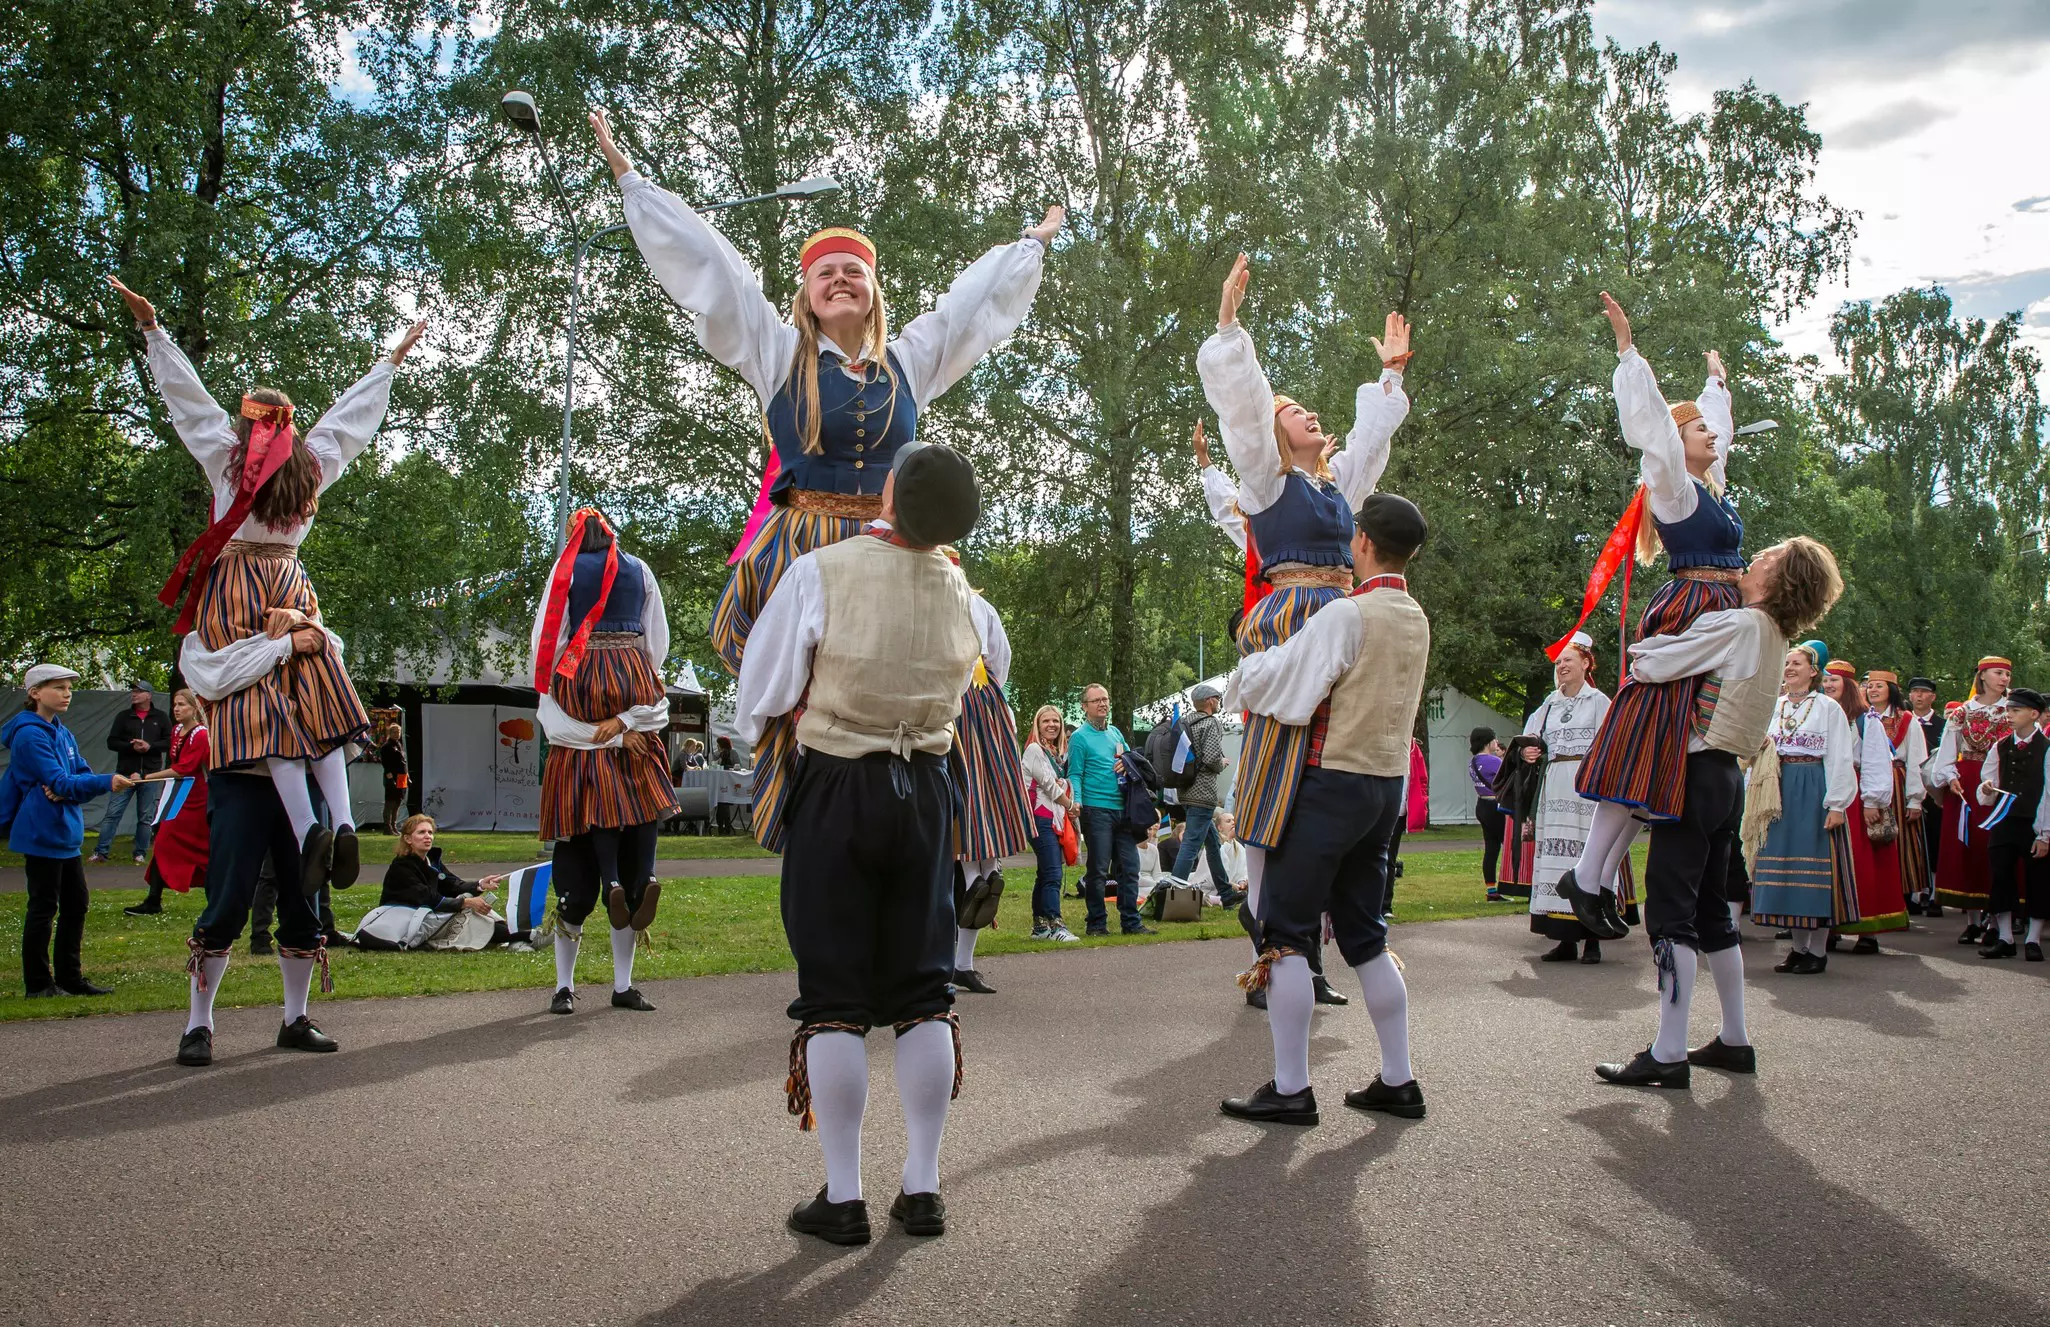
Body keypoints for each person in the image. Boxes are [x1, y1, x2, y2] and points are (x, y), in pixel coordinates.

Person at [733, 441, 983, 1245]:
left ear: (886, 492)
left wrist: (767, 745)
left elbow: (761, 690)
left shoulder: (824, 570)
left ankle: (844, 1196)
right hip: (928, 792)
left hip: (840, 782)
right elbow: (991, 672)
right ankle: (923, 1184)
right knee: (924, 990)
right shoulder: (968, 593)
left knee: (836, 993)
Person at [108, 275, 423, 900]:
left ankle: (309, 830)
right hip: (291, 583)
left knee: (263, 714)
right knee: (317, 697)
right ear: (288, 425)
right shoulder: (312, 462)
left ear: (247, 422)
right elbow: (352, 420)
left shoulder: (227, 458)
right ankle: (336, 820)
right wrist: (388, 362)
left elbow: (189, 403)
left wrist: (153, 331)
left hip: (238, 589)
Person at [1587, 536, 1844, 1089]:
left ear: (1779, 580)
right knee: (1712, 913)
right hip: (1727, 779)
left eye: (1767, 559)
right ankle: (1734, 1038)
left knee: (1671, 914)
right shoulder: (1774, 634)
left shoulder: (1744, 624)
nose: (1752, 562)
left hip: (1695, 772)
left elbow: (1653, 662)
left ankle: (1669, 1051)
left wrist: (1651, 640)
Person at [1195, 253, 1411, 897]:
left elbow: (1369, 444)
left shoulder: (1338, 488)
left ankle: (1319, 918)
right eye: (1293, 412)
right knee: (1281, 753)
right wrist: (1230, 328)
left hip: (1348, 619)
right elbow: (1244, 417)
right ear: (1275, 432)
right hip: (1294, 619)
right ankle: (1266, 914)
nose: (1310, 414)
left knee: (1335, 757)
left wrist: (1389, 376)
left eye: (1309, 410)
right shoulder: (1266, 484)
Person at [1219, 493, 1433, 1125]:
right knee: (1366, 936)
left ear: (1360, 542)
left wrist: (1246, 670)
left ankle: (1292, 1088)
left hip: (1331, 783)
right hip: (1384, 785)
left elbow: (1288, 687)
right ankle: (1399, 1077)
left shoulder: (1349, 614)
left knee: (1285, 935)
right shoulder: (1415, 614)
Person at [1557, 294, 1741, 934]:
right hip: (1690, 613)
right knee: (1650, 752)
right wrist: (1628, 352)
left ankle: (1593, 879)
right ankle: (1588, 877)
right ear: (1678, 442)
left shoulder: (1712, 489)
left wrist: (1716, 384)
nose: (1713, 436)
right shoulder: (1675, 489)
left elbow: (1710, 426)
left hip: (1717, 615)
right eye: (1700, 431)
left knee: (1663, 761)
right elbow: (1658, 432)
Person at [530, 509, 678, 1016]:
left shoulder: (564, 572)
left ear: (574, 538)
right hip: (632, 690)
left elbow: (545, 643)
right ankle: (622, 978)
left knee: (573, 873)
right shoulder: (640, 570)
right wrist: (630, 718)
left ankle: (565, 987)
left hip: (580, 721)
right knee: (638, 849)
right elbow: (656, 643)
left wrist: (588, 704)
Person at [3, 665, 131, 997]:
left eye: (69, 688)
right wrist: (100, 782)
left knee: (76, 904)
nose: (66, 693)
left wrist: (73, 785)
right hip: (42, 831)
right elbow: (63, 780)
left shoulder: (62, 732)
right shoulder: (29, 735)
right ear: (34, 693)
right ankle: (39, 984)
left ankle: (70, 978)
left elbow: (77, 776)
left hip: (66, 832)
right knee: (43, 906)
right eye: (58, 687)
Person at [942, 549, 1035, 996]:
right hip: (979, 710)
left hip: (953, 711)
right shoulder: (979, 604)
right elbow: (1002, 659)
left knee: (975, 844)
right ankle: (956, 962)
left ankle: (956, 962)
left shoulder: (950, 599)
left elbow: (999, 659)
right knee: (978, 843)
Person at [1745, 642, 1860, 975]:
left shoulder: (1827, 708)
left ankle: (1818, 951)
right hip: (1776, 791)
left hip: (1812, 788)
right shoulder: (1773, 706)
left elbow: (1839, 756)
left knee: (1815, 869)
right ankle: (1798, 949)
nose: (1790, 668)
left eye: (1797, 663)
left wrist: (1836, 804)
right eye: (1787, 663)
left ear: (1813, 671)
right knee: (1786, 873)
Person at [1522, 634, 1631, 963]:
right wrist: (1529, 751)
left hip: (1586, 786)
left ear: (1585, 663)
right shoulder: (1549, 705)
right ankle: (1563, 939)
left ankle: (1592, 940)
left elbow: (1615, 743)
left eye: (1568, 660)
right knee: (1555, 859)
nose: (1562, 666)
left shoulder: (1599, 701)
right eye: (1558, 663)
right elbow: (1529, 738)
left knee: (1587, 857)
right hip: (1555, 784)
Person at [1838, 669, 1927, 953]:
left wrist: (1914, 798)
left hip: (1883, 786)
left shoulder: (1900, 720)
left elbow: (1915, 760)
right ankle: (1830, 927)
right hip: (1843, 790)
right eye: (1869, 685)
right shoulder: (1829, 714)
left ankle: (1871, 928)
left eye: (1879, 686)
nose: (1873, 690)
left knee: (1876, 849)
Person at [1930, 657, 2013, 940]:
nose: (2004, 679)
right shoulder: (1962, 712)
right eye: (1998, 673)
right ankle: (1973, 919)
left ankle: (1995, 919)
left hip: (2001, 782)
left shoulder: (2013, 710)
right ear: (1983, 676)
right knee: (1969, 847)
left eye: (2007, 675)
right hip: (1966, 783)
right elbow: (1946, 753)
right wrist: (1950, 777)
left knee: (1996, 848)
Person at [360, 815, 527, 951]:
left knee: (472, 907)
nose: (427, 837)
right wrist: (465, 902)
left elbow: (452, 884)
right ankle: (524, 937)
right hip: (410, 921)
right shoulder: (402, 866)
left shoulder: (431, 861)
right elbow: (427, 897)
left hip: (430, 914)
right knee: (471, 915)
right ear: (408, 839)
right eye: (421, 832)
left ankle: (520, 937)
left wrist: (481, 884)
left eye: (430, 832)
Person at [1068, 683, 1155, 936]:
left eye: (1105, 699)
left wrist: (1127, 765)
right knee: (1098, 870)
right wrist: (1078, 803)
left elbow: (1133, 763)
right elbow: (1075, 773)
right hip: (1097, 811)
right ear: (1085, 707)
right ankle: (1096, 923)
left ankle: (1131, 922)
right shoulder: (1079, 738)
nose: (1102, 704)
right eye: (1096, 700)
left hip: (1123, 809)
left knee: (1130, 867)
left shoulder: (1116, 733)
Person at [1972, 687, 2049, 961]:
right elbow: (1985, 785)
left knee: (2037, 879)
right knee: (2001, 875)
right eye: (2009, 710)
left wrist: (2044, 834)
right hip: (2004, 821)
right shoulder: (2000, 745)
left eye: (2016, 711)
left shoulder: (2047, 748)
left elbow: (2049, 792)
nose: (2010, 715)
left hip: (2034, 821)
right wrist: (1988, 788)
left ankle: (2033, 939)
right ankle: (2005, 937)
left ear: (2034, 714)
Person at [124, 689, 211, 916]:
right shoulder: (176, 731)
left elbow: (185, 768)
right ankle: (154, 899)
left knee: (201, 848)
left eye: (182, 705)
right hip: (178, 795)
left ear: (194, 708)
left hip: (195, 797)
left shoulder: (200, 735)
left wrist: (146, 778)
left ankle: (222, 895)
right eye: (175, 704)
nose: (177, 709)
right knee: (163, 841)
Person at [1168, 683, 1237, 906]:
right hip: (1203, 793)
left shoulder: (1185, 722)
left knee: (1213, 844)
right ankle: (1174, 897)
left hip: (1185, 789)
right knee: (1190, 844)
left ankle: (1226, 893)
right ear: (1209, 701)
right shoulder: (1210, 723)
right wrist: (1222, 763)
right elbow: (1210, 759)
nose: (1218, 702)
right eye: (1217, 698)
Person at [90, 682, 169, 864]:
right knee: (113, 813)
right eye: (133, 691)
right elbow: (112, 742)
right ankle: (101, 852)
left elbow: (169, 742)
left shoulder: (161, 717)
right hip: (125, 773)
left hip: (150, 774)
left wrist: (150, 746)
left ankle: (139, 853)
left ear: (149, 695)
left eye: (139, 691)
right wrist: (130, 746)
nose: (134, 694)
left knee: (146, 816)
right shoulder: (124, 716)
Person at [1021, 704, 1080, 942]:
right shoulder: (1035, 749)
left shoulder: (1054, 753)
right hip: (1038, 818)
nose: (1052, 725)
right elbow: (1048, 785)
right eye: (1046, 721)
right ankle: (1056, 925)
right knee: (1053, 872)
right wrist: (1070, 805)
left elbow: (1059, 784)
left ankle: (1039, 927)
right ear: (1038, 725)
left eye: (1055, 721)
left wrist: (1067, 802)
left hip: (1050, 817)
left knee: (1045, 872)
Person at [1906, 676, 1946, 916]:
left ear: (1933, 697)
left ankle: (1934, 893)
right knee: (1912, 840)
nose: (1919, 696)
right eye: (1915, 692)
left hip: (1934, 791)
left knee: (1934, 840)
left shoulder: (1943, 725)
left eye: (1924, 692)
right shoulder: (1903, 721)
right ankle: (1912, 891)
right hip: (1908, 788)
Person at [1469, 729, 1507, 901]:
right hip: (1495, 805)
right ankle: (1514, 884)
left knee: (1491, 848)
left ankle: (1491, 890)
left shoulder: (1473, 761)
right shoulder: (1495, 761)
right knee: (1508, 845)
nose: (1497, 742)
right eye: (1494, 739)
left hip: (1481, 804)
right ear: (1488, 742)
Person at [376, 722, 409, 835]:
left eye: (398, 732)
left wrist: (407, 776)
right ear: (390, 733)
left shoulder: (399, 745)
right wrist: (390, 779)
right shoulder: (387, 747)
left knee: (398, 802)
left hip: (402, 777)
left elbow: (403, 762)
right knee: (390, 802)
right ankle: (387, 827)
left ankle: (394, 825)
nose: (397, 734)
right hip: (392, 777)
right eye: (394, 732)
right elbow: (386, 764)